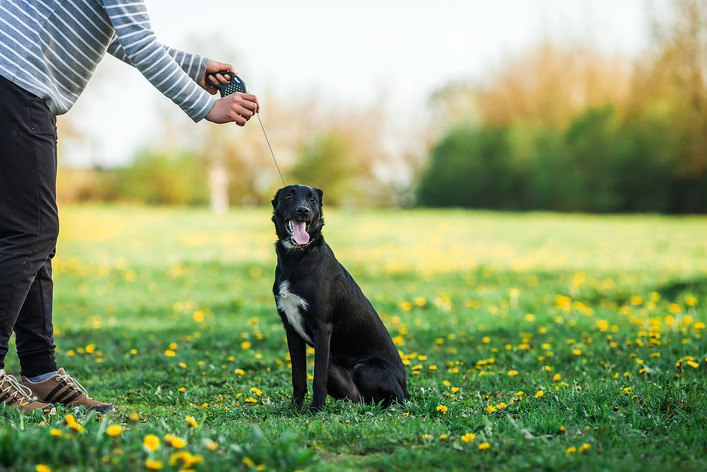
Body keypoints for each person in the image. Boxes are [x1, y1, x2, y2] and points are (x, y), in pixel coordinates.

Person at [0, 0, 259, 413]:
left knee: (31, 233)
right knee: (32, 232)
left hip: (18, 82)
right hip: (16, 79)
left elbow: (119, 35)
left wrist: (194, 66)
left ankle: (41, 372)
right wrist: (206, 105)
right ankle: (32, 370)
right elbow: (137, 39)